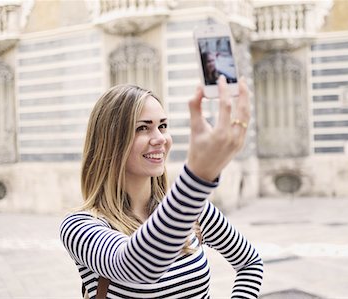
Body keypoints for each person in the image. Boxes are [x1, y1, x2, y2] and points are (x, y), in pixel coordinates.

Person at [60, 76, 263, 299]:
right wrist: (198, 176)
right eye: (142, 128)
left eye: (163, 126)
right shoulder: (80, 227)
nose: (160, 139)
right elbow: (138, 266)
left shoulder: (194, 211)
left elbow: (250, 263)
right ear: (111, 141)